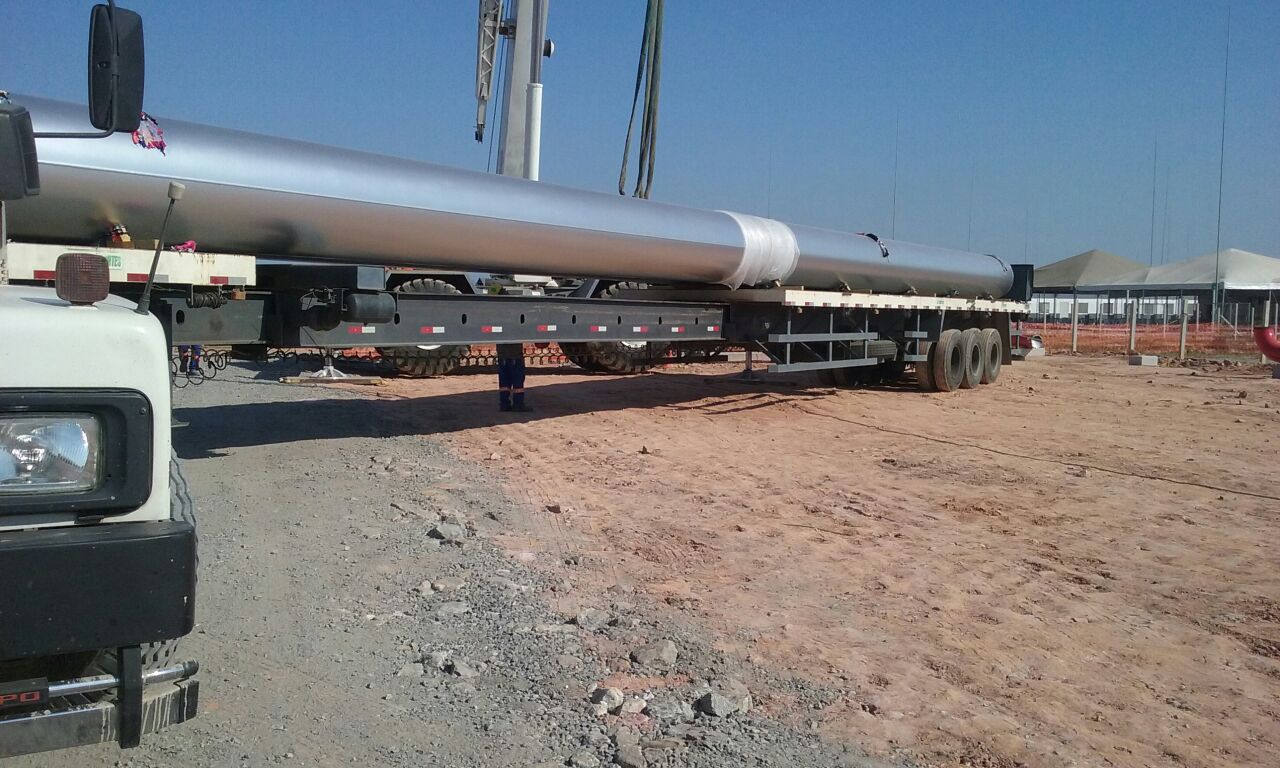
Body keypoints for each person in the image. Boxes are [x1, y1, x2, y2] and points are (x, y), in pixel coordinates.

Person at [496, 343, 529, 412]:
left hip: (502, 356)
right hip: (515, 356)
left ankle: (504, 404)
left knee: (504, 382)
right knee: (518, 381)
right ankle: (518, 404)